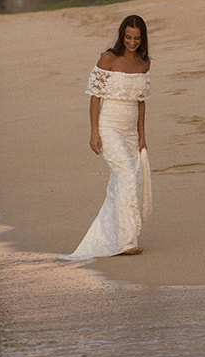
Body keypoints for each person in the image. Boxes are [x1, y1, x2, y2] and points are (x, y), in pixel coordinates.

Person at [65, 13, 152, 260]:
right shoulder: (108, 58)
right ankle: (127, 241)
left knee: (126, 180)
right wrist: (94, 132)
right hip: (109, 126)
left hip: (130, 132)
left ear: (142, 38)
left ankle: (115, 235)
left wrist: (142, 136)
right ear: (121, 36)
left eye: (136, 38)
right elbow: (95, 96)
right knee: (126, 175)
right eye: (127, 37)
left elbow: (142, 103)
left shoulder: (145, 64)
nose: (132, 42)